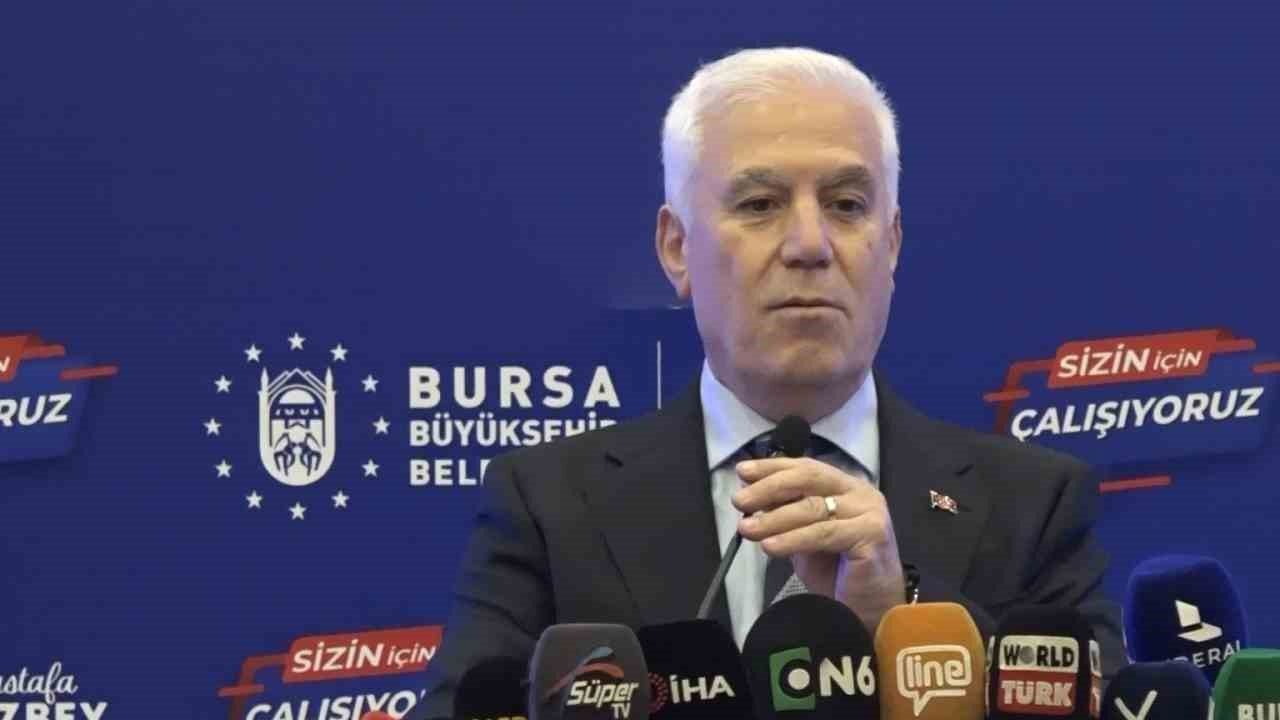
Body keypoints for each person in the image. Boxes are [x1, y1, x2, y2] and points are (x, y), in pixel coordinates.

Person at [411, 46, 1124, 719]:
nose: (810, 244)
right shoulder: (548, 505)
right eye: (759, 204)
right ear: (676, 248)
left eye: (847, 204)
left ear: (892, 245)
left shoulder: (1036, 505)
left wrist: (898, 610)